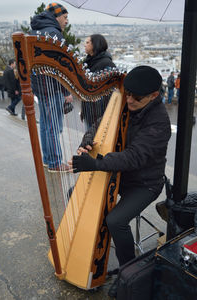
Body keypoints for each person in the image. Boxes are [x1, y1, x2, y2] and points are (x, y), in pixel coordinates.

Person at [69, 66, 171, 297]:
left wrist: (97, 164)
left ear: (154, 96)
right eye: (127, 93)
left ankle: (129, 271)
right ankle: (89, 252)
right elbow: (97, 126)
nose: (129, 100)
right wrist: (88, 142)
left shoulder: (159, 122)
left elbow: (135, 156)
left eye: (136, 97)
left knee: (115, 220)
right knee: (72, 195)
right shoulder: (125, 102)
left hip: (145, 183)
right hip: (119, 174)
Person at [30, 2, 73, 172]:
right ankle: (55, 162)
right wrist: (66, 91)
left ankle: (48, 159)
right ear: (56, 17)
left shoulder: (34, 31)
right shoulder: (55, 34)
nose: (66, 21)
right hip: (52, 87)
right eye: (65, 17)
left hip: (39, 86)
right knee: (54, 127)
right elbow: (60, 67)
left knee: (46, 125)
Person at [81, 34, 116, 129]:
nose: (85, 45)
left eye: (88, 42)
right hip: (89, 109)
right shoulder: (88, 61)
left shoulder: (107, 63)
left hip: (100, 110)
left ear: (95, 45)